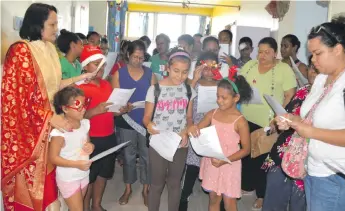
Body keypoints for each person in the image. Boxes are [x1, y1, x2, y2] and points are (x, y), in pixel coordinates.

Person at [1, 3, 72, 211]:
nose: (56, 28)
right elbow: (20, 100)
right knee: (33, 192)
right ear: (37, 25)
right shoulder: (21, 51)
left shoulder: (50, 49)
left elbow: (53, 86)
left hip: (48, 126)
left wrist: (81, 77)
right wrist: (50, 117)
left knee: (50, 190)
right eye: (52, 24)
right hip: (30, 133)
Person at [276, 16, 345, 211]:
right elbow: (310, 119)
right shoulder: (321, 80)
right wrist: (291, 120)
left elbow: (313, 129)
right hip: (312, 168)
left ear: (338, 49)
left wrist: (310, 132)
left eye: (317, 53)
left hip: (335, 175)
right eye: (311, 55)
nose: (312, 61)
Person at [240, 37, 297, 210]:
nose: (262, 55)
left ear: (275, 53)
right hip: (245, 117)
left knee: (264, 159)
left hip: (268, 121)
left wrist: (279, 117)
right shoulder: (250, 65)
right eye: (260, 51)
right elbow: (238, 84)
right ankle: (247, 185)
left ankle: (262, 195)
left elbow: (290, 95)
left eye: (267, 52)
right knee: (247, 154)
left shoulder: (283, 69)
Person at [262, 56, 318, 211]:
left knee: (298, 203)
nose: (313, 72)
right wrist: (276, 123)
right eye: (311, 68)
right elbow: (286, 113)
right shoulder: (302, 90)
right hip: (283, 152)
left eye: (318, 69)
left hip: (307, 156)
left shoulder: (327, 97)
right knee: (273, 199)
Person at [143, 47, 196, 211]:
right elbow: (146, 117)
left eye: (185, 72)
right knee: (157, 184)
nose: (180, 76)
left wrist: (188, 129)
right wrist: (149, 125)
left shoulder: (189, 90)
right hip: (159, 143)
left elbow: (188, 117)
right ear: (167, 68)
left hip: (180, 143)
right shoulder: (155, 89)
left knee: (175, 183)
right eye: (176, 71)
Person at [188, 75, 252, 211]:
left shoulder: (240, 121)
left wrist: (225, 160)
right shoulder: (212, 114)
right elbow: (197, 129)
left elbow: (246, 149)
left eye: (224, 98)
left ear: (236, 98)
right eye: (218, 96)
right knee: (213, 199)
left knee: (230, 203)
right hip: (212, 163)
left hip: (229, 164)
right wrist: (194, 128)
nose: (219, 101)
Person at [111, 40, 157, 206]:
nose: (138, 60)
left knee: (146, 156)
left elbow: (155, 98)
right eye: (135, 57)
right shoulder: (119, 74)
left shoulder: (150, 73)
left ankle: (146, 188)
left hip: (145, 120)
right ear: (128, 55)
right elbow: (115, 101)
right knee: (128, 156)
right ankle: (128, 188)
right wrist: (123, 107)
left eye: (141, 57)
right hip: (125, 120)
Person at [77, 45, 116, 211]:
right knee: (89, 178)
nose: (101, 67)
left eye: (102, 63)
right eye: (95, 63)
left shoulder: (106, 84)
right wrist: (95, 111)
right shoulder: (79, 88)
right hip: (90, 138)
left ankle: (97, 205)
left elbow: (111, 110)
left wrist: (120, 109)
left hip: (109, 134)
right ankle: (85, 208)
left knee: (103, 174)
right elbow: (76, 117)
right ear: (85, 66)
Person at [179, 52, 219, 211]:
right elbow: (182, 98)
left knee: (214, 167)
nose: (209, 71)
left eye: (212, 67)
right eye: (205, 67)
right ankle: (183, 199)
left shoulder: (222, 84)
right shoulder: (193, 84)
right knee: (191, 167)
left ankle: (217, 201)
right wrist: (194, 79)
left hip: (214, 132)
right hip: (195, 129)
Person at [49, 87, 94, 210]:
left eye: (84, 105)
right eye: (78, 107)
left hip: (83, 173)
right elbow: (53, 158)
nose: (83, 110)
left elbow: (88, 143)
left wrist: (90, 147)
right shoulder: (60, 132)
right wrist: (76, 164)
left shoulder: (84, 124)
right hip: (68, 177)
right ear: (65, 109)